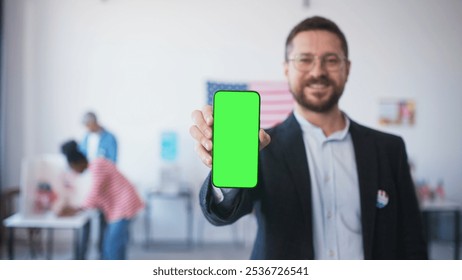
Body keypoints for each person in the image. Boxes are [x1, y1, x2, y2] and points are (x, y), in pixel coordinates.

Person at [189, 16, 428, 259]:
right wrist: (227, 165)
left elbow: (412, 239)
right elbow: (222, 212)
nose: (318, 71)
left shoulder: (389, 149)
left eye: (331, 60)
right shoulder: (261, 146)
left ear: (347, 68)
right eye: (304, 59)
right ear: (286, 69)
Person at [59, 140, 144, 260]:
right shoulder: (95, 165)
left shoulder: (97, 165)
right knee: (115, 246)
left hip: (124, 207)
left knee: (111, 247)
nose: (75, 172)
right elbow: (99, 194)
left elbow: (96, 192)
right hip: (119, 208)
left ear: (78, 163)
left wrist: (77, 208)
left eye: (73, 168)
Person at [79, 111, 118, 258]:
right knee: (84, 220)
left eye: (89, 125)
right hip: (88, 184)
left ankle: (102, 256)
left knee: (103, 222)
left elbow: (112, 164)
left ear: (95, 122)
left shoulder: (110, 138)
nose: (87, 129)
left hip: (103, 185)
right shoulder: (86, 138)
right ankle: (81, 255)